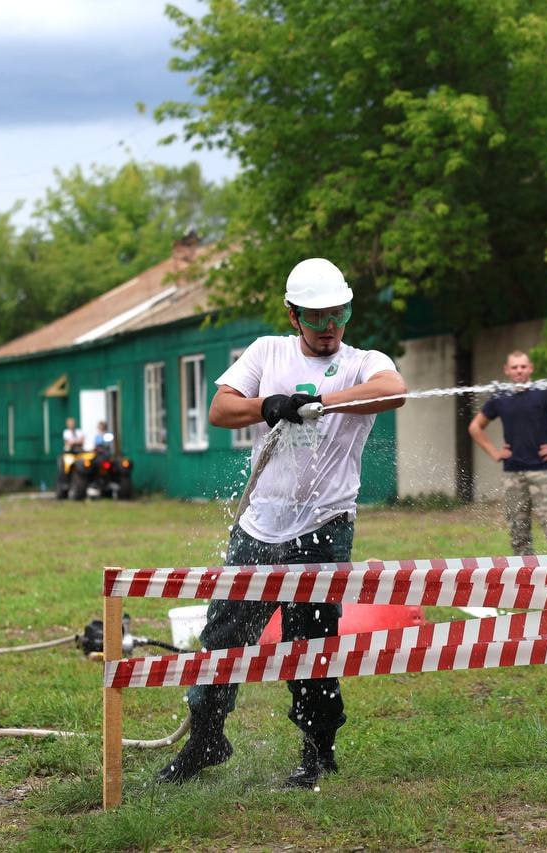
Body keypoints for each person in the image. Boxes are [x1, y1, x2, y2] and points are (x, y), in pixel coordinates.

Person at [157, 257, 407, 790]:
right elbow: (222, 409)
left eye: (338, 314)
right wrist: (271, 404)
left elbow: (394, 389)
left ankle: (317, 751)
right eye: (316, 317)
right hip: (259, 526)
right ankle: (206, 740)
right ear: (293, 315)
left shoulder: (364, 360)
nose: (329, 327)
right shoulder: (266, 352)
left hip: (324, 525)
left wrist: (321, 402)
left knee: (310, 642)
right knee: (224, 635)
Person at [468, 351, 547, 555]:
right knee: (518, 534)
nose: (519, 371)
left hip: (545, 473)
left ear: (530, 368)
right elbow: (475, 427)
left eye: (523, 366)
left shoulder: (545, 392)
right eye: (514, 367)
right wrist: (495, 453)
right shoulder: (500, 397)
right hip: (513, 474)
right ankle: (527, 583)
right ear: (506, 370)